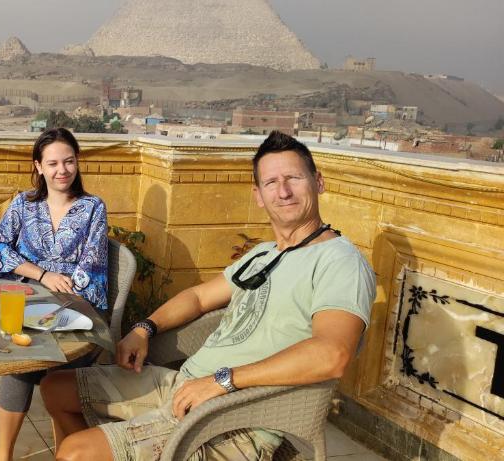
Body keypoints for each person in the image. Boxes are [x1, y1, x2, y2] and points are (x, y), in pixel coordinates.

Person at [40, 131, 376, 461]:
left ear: (318, 182)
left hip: (239, 416)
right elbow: (199, 298)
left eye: (294, 178)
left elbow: (332, 354)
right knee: (55, 389)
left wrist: (223, 381)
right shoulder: (263, 254)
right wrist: (144, 328)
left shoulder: (339, 260)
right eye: (271, 183)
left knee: (76, 453)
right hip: (187, 385)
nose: (283, 192)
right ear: (258, 195)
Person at [0, 127, 108, 461]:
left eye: (69, 161)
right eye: (52, 163)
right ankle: (3, 455)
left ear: (77, 162)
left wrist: (60, 293)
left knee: (35, 362)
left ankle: (64, 453)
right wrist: (41, 274)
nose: (62, 170)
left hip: (74, 308)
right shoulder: (23, 205)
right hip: (25, 299)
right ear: (38, 166)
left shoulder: (93, 207)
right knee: (21, 358)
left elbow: (92, 267)